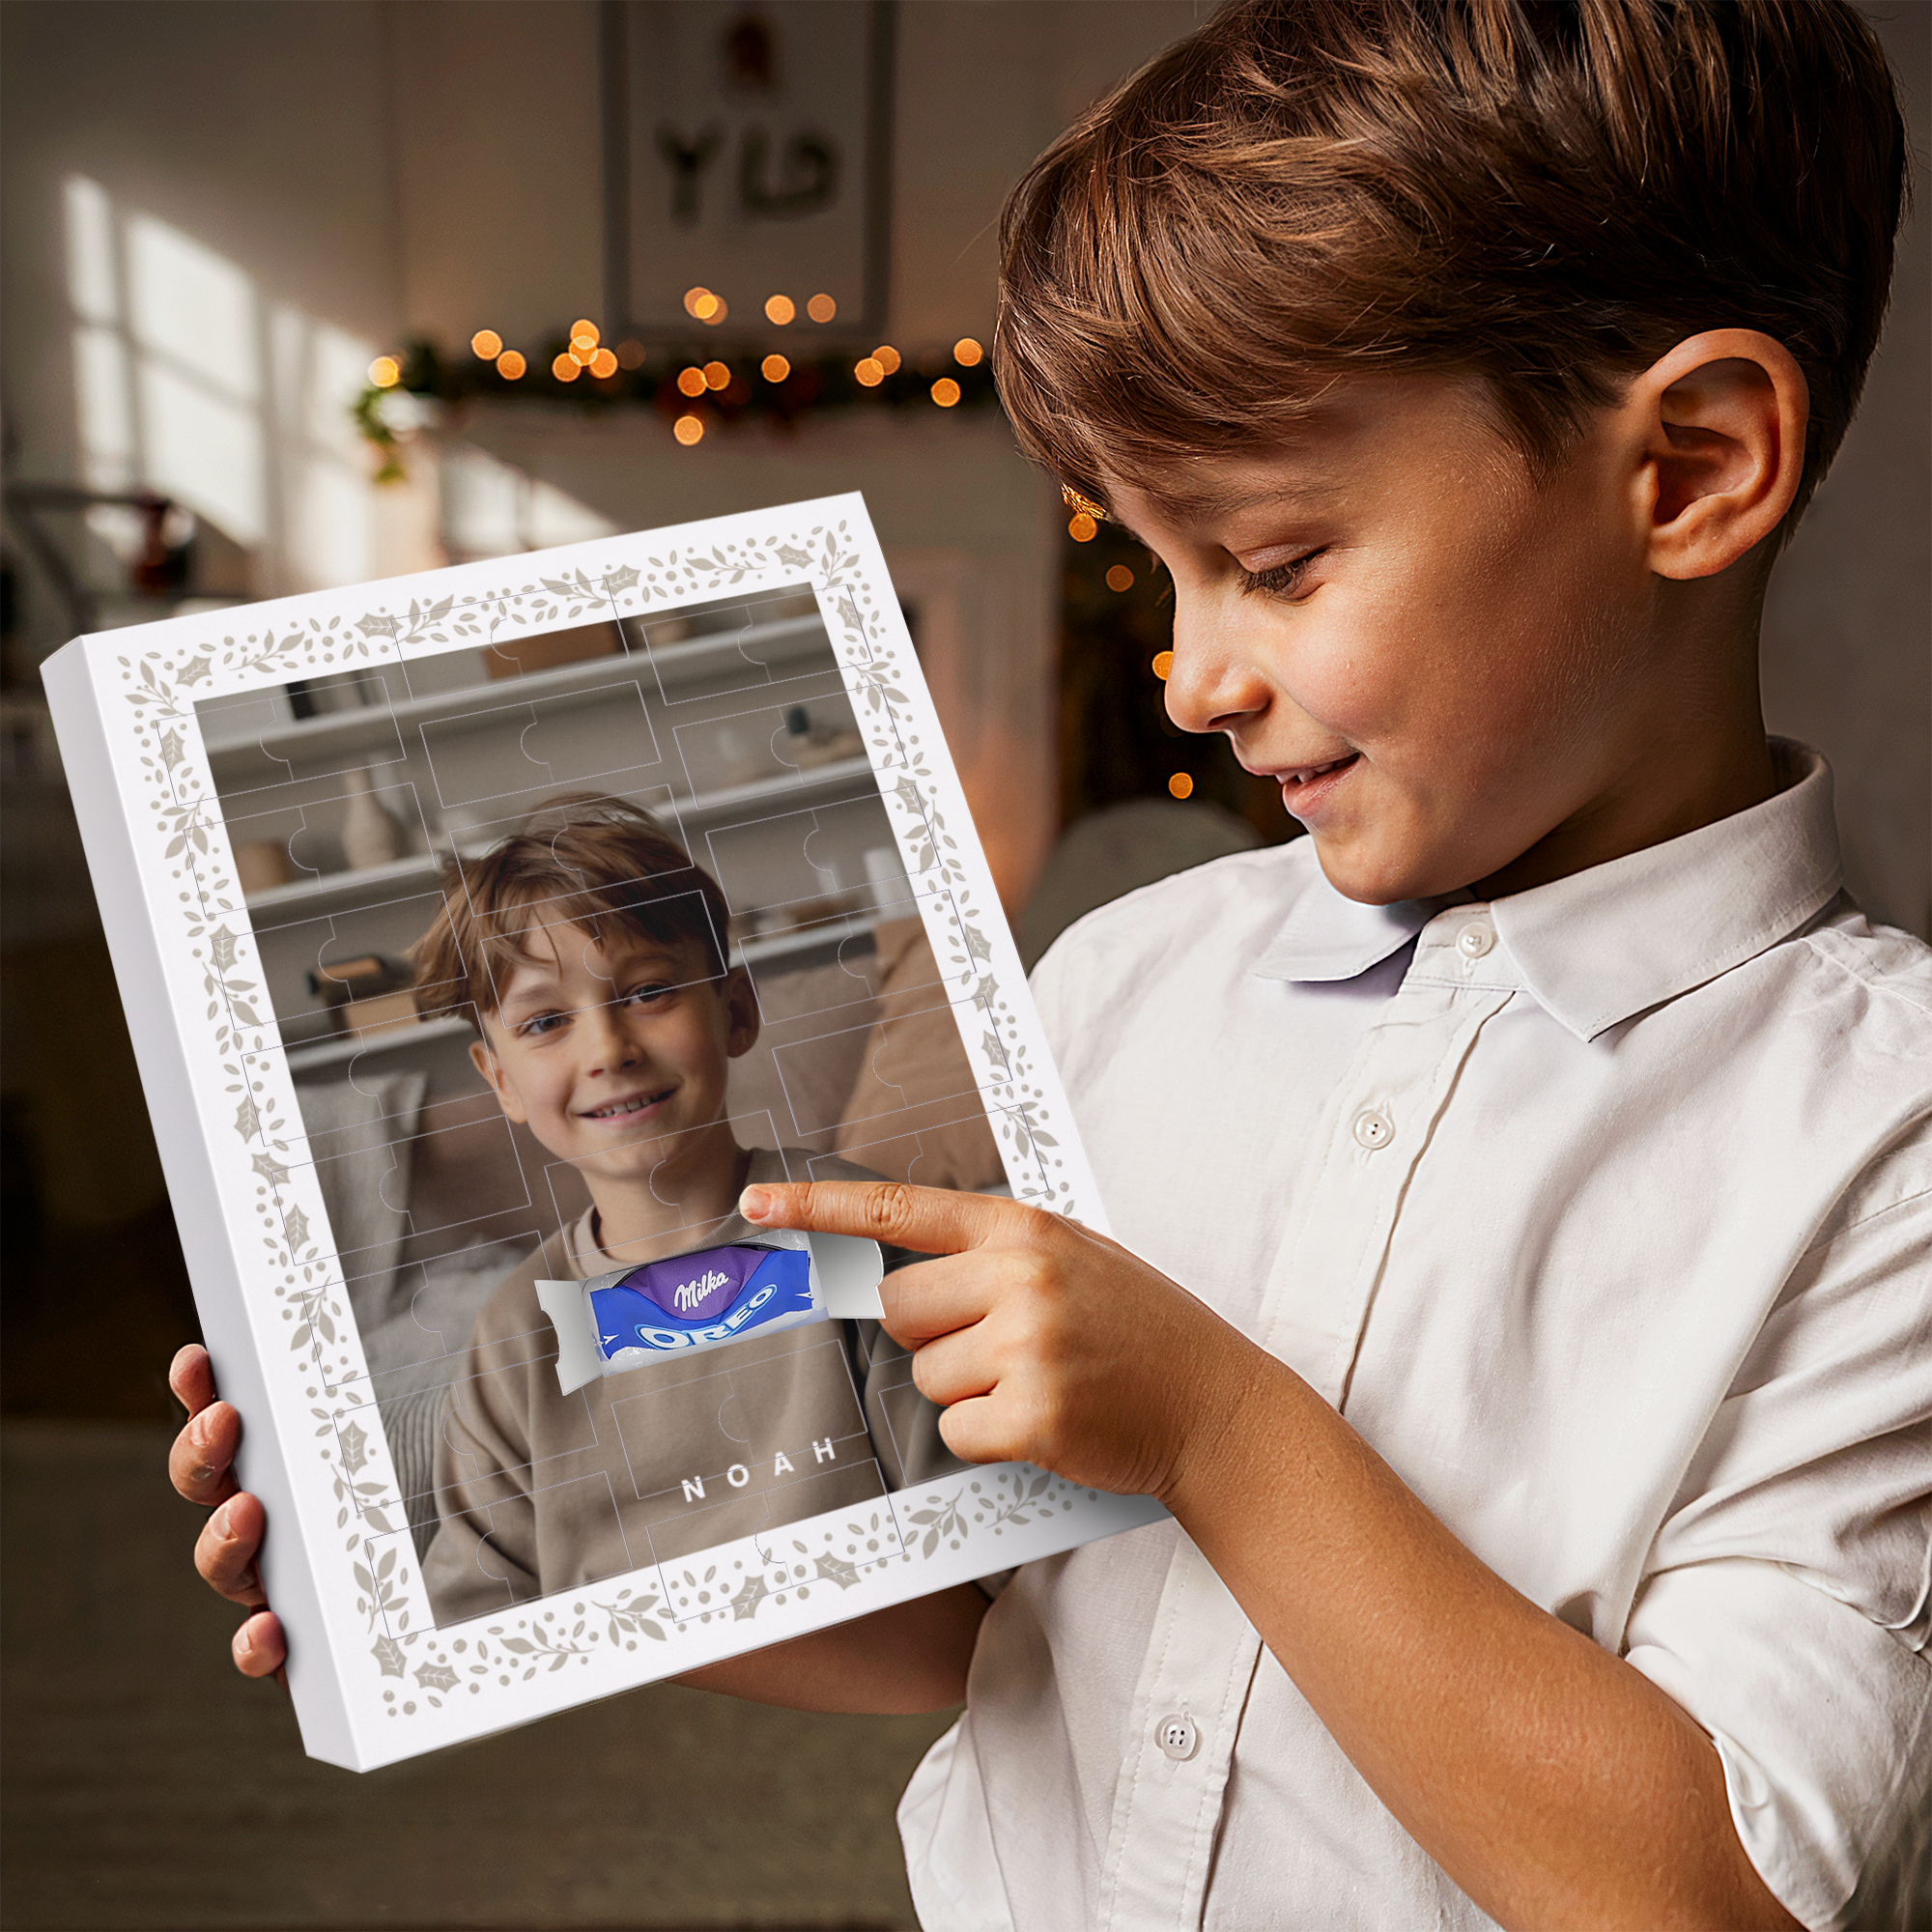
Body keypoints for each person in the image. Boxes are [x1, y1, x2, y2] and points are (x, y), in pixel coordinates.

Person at [170, 1, 1928, 1925]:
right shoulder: (1118, 983)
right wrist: (456, 1569)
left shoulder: (1879, 1146)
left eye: (1271, 557)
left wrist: (1214, 1428)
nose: (1192, 676)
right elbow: (984, 1624)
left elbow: (1721, 1894)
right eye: (1154, 568)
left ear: (1686, 467)